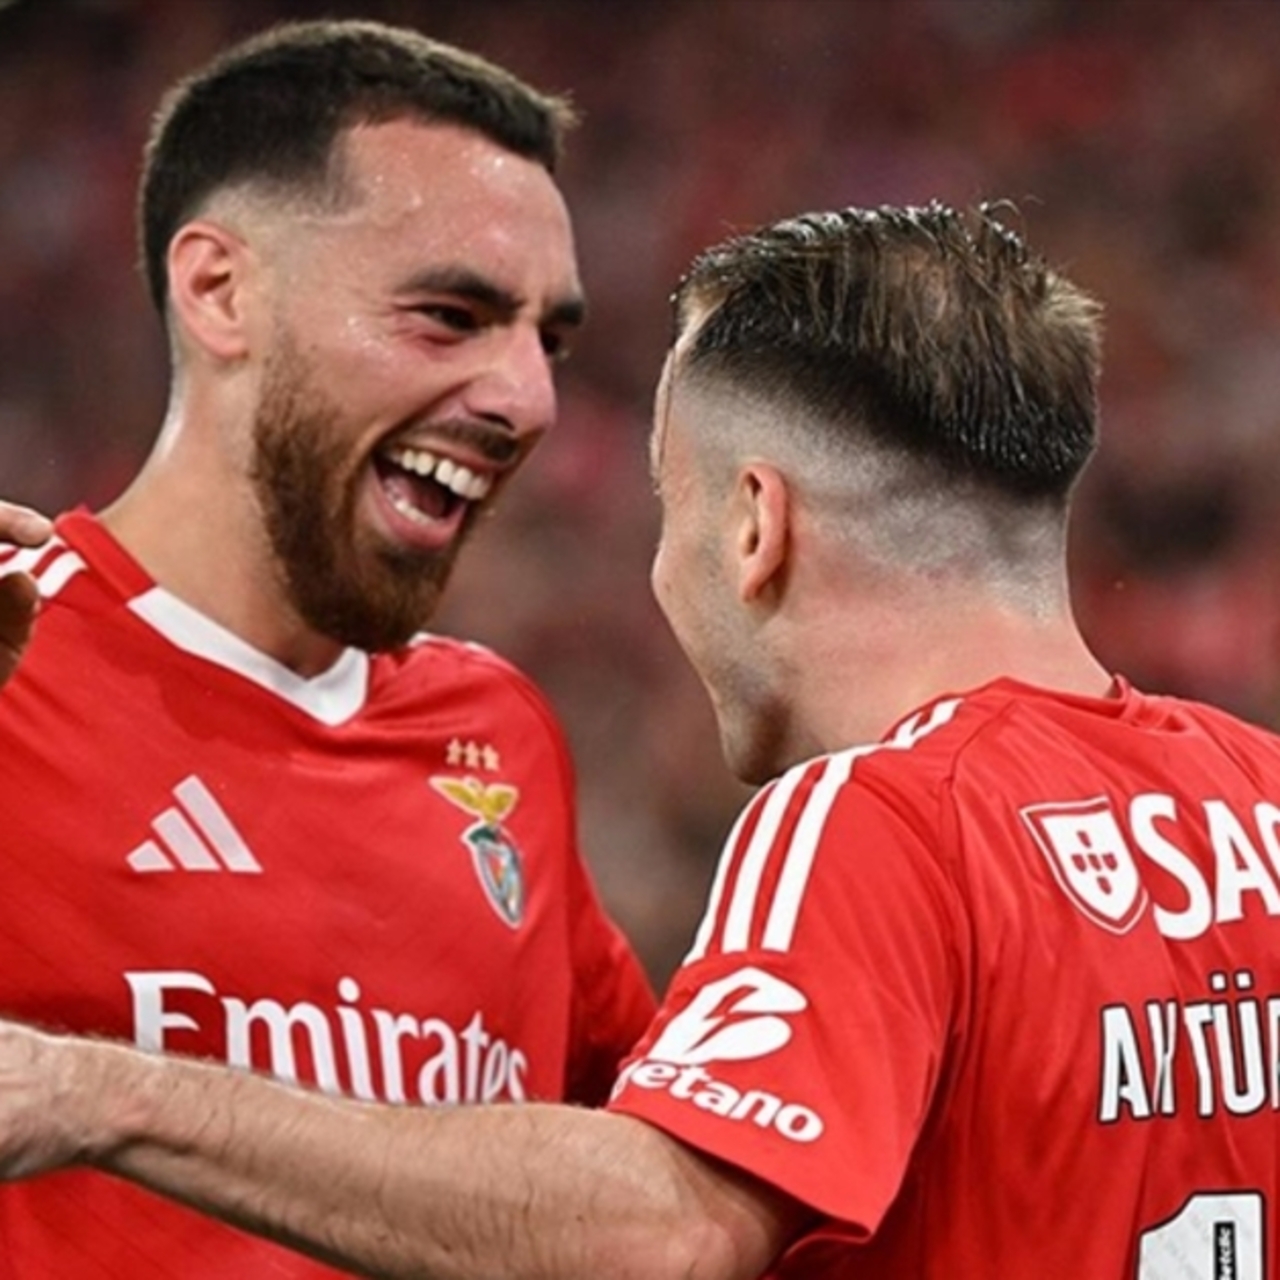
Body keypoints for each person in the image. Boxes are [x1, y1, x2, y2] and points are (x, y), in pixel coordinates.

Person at [2, 201, 1278, 1280]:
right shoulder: (1261, 796)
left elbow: (666, 1223)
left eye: (670, 508)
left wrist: (104, 1090)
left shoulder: (880, 813)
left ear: (754, 526)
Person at [0, 19, 655, 1278]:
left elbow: (646, 1183)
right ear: (220, 292)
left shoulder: (498, 733)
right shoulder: (12, 659)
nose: (527, 399)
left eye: (548, 339)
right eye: (449, 314)